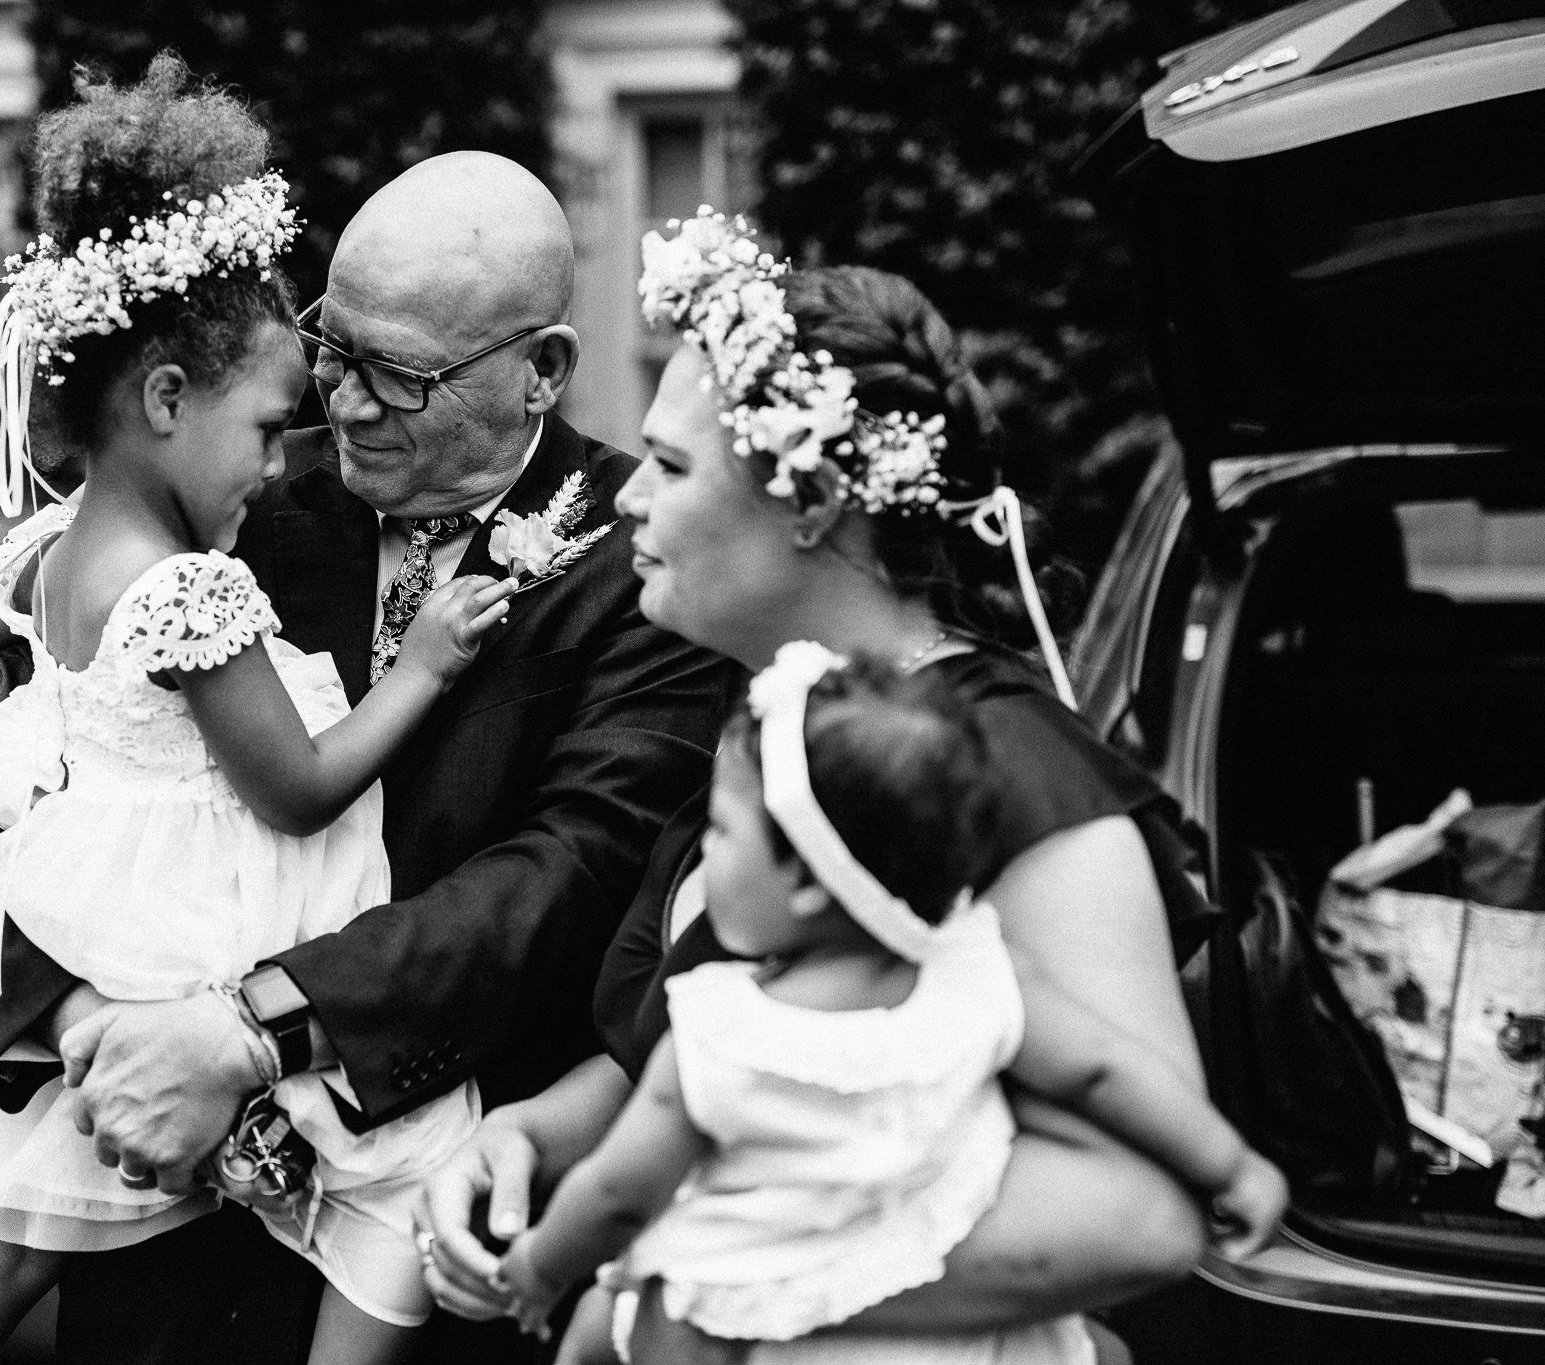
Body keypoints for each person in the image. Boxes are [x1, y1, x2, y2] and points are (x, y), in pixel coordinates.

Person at [0, 96, 737, 1365]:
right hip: (155, 1260)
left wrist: (252, 1032)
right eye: (333, 349)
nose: (340, 405)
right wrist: (85, 1031)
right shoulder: (224, 513)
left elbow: (572, 875)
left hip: (435, 1265)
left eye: (400, 374)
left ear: (542, 370)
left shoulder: (644, 564)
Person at [415, 215, 1225, 1359]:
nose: (627, 501)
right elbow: (735, 1041)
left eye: (673, 466)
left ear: (807, 505)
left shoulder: (1018, 777)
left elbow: (1138, 1212)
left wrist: (714, 1281)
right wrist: (532, 1137)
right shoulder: (773, 726)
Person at [495, 650, 1287, 1364]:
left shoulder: (720, 1032)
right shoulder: (981, 973)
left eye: (723, 831)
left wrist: (538, 1266)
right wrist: (1232, 1164)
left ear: (809, 880)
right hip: (968, 1336)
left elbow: (617, 1192)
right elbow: (1105, 1071)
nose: (706, 853)